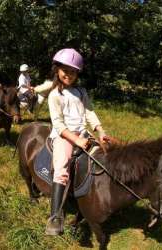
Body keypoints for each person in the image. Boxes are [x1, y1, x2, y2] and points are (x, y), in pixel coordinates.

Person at [46, 48, 110, 235]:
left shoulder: (81, 92)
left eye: (73, 71)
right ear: (57, 70)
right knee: (61, 167)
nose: (69, 75)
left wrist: (100, 130)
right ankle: (55, 217)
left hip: (83, 133)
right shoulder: (54, 95)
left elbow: (89, 112)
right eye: (65, 70)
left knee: (104, 156)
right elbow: (57, 124)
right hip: (63, 136)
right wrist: (76, 140)